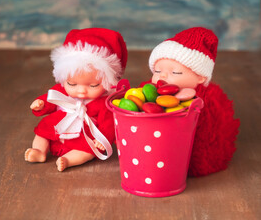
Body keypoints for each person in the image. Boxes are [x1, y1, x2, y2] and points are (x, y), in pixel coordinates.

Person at [25, 28, 128, 172]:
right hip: (57, 126)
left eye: (93, 85)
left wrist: (102, 139)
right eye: (72, 84)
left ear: (107, 82)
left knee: (88, 151)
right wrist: (40, 104)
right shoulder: (61, 89)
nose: (81, 90)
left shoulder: (105, 101)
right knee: (42, 134)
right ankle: (39, 151)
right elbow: (51, 98)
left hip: (84, 135)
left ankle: (69, 160)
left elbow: (108, 123)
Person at [147, 27, 240, 177]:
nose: (162, 76)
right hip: (155, 154)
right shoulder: (152, 92)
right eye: (157, 71)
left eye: (175, 72)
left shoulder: (206, 101)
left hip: (188, 156)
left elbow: (210, 135)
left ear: (200, 77)